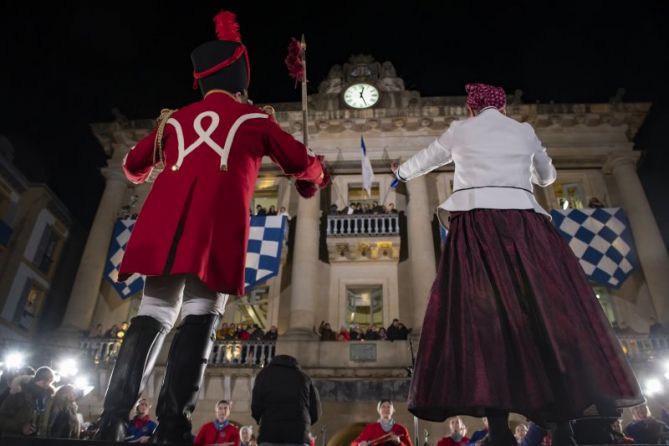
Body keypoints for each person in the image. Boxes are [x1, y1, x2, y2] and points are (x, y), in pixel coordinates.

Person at [95, 10, 328, 443]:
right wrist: (315, 178)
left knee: (153, 312)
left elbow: (131, 165)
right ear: (242, 80)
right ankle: (172, 425)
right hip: (215, 229)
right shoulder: (255, 120)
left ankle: (112, 417)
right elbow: (303, 164)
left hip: (164, 228)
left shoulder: (174, 120)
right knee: (201, 314)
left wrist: (156, 172)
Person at [393, 83, 643, 446]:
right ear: (503, 107)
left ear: (471, 108)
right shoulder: (523, 131)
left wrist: (399, 173)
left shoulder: (461, 130)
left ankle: (498, 431)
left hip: (478, 226)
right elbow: (549, 177)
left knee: (485, 323)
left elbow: (425, 160)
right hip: (526, 228)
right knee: (545, 319)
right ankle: (560, 427)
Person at [251, 354, 321, 444]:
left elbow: (256, 406)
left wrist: (261, 420)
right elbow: (315, 410)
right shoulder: (304, 378)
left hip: (270, 434)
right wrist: (304, 424)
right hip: (298, 435)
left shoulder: (263, 375)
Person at [0, 366, 55, 437]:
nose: (47, 385)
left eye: (50, 381)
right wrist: (21, 427)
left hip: (37, 440)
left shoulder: (48, 397)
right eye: (47, 380)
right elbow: (2, 418)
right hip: (14, 439)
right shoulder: (18, 393)